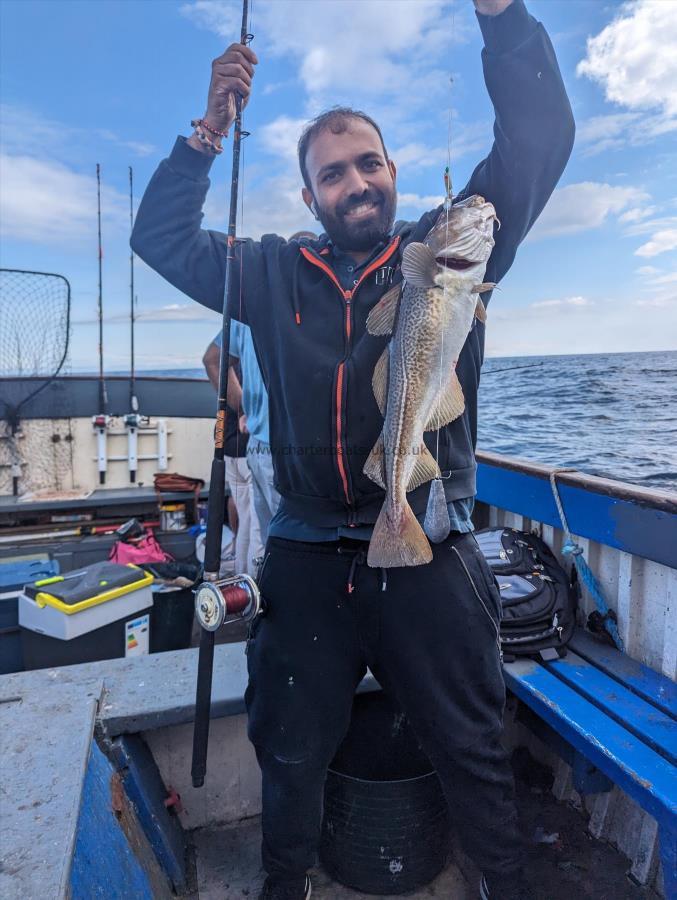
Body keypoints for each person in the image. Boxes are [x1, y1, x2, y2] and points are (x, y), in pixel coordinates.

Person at [132, 1, 575, 897]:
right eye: (333, 173)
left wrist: (501, 18)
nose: (356, 181)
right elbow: (160, 238)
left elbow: (537, 136)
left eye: (369, 162)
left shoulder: (449, 247)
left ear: (395, 171)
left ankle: (506, 886)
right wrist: (206, 134)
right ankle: (282, 883)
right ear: (309, 195)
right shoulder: (265, 269)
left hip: (428, 546)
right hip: (305, 553)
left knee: (471, 750)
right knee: (289, 754)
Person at [202, 335, 261, 576]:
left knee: (244, 520)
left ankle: (240, 577)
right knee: (257, 526)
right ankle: (255, 585)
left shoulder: (229, 357)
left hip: (226, 447)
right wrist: (247, 411)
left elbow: (210, 361)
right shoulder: (252, 361)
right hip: (248, 447)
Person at [226, 318, 281, 542]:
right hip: (280, 450)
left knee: (263, 536)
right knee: (280, 538)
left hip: (255, 446)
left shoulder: (244, 311)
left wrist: (244, 410)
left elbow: (212, 359)